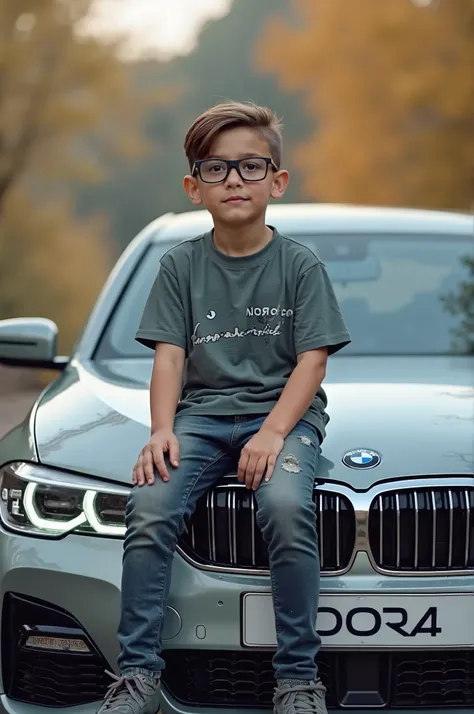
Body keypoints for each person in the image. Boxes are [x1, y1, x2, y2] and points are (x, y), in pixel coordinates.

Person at [98, 101, 351, 714]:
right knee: (151, 504)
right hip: (202, 418)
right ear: (194, 188)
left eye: (249, 166)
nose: (234, 180)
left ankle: (297, 680)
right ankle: (138, 677)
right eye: (216, 169)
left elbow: (312, 362)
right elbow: (169, 359)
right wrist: (162, 430)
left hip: (282, 419)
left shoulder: (299, 265)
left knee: (289, 507)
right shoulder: (180, 265)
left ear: (277, 181)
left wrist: (271, 433)